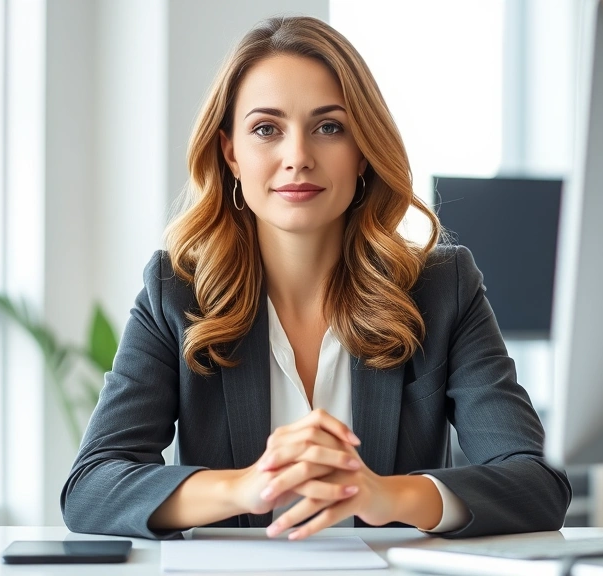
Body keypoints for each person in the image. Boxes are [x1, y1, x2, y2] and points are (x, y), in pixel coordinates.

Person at [61, 15, 571, 541]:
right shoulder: (176, 290)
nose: (298, 157)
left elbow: (536, 483)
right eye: (266, 129)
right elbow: (92, 487)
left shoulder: (443, 288)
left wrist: (381, 494)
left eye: (330, 127)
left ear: (363, 151)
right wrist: (244, 487)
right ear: (231, 152)